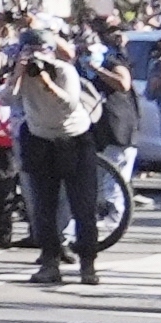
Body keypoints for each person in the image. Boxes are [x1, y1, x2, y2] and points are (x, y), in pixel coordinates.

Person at [13, 26, 112, 285]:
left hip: (75, 141)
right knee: (44, 207)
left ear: (51, 52)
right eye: (29, 50)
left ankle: (88, 265)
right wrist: (18, 74)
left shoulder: (64, 71)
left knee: (83, 205)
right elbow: (6, 99)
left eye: (41, 51)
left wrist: (46, 82)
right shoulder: (21, 74)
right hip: (39, 140)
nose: (36, 57)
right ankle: (49, 263)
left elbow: (69, 103)